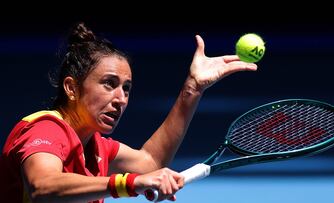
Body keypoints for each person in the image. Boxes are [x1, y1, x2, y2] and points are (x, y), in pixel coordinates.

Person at [0, 22, 257, 203]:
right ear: (71, 88)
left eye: (126, 88)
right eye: (109, 84)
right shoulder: (45, 129)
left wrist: (193, 89)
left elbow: (150, 163)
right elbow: (43, 186)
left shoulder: (97, 147)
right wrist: (128, 183)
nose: (120, 98)